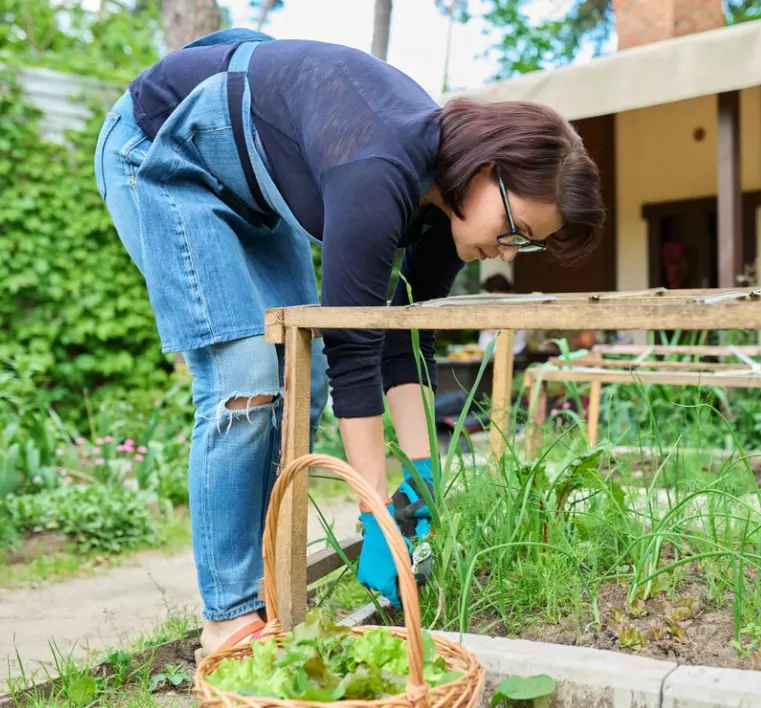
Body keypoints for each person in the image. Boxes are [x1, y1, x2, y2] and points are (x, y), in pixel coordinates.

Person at [93, 27, 605, 659]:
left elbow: (401, 342)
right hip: (161, 153)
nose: (506, 251)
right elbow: (353, 345)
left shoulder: (449, 207)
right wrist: (376, 515)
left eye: (523, 245)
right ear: (488, 169)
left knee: (297, 381)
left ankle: (262, 593)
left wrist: (419, 481)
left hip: (254, 195)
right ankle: (228, 617)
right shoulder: (381, 168)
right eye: (515, 230)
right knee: (246, 377)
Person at [477, 274, 528, 356]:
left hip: (514, 353)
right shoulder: (486, 303)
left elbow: (508, 331)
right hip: (487, 352)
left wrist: (487, 325)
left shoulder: (517, 304)